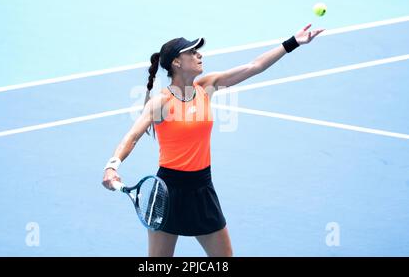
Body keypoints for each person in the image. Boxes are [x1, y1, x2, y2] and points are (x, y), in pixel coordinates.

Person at [102, 24, 324, 257]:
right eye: (192, 52)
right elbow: (133, 135)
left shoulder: (207, 87)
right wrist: (112, 166)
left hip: (202, 188)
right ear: (177, 63)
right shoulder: (161, 102)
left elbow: (254, 66)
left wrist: (293, 42)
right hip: (168, 191)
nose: (199, 55)